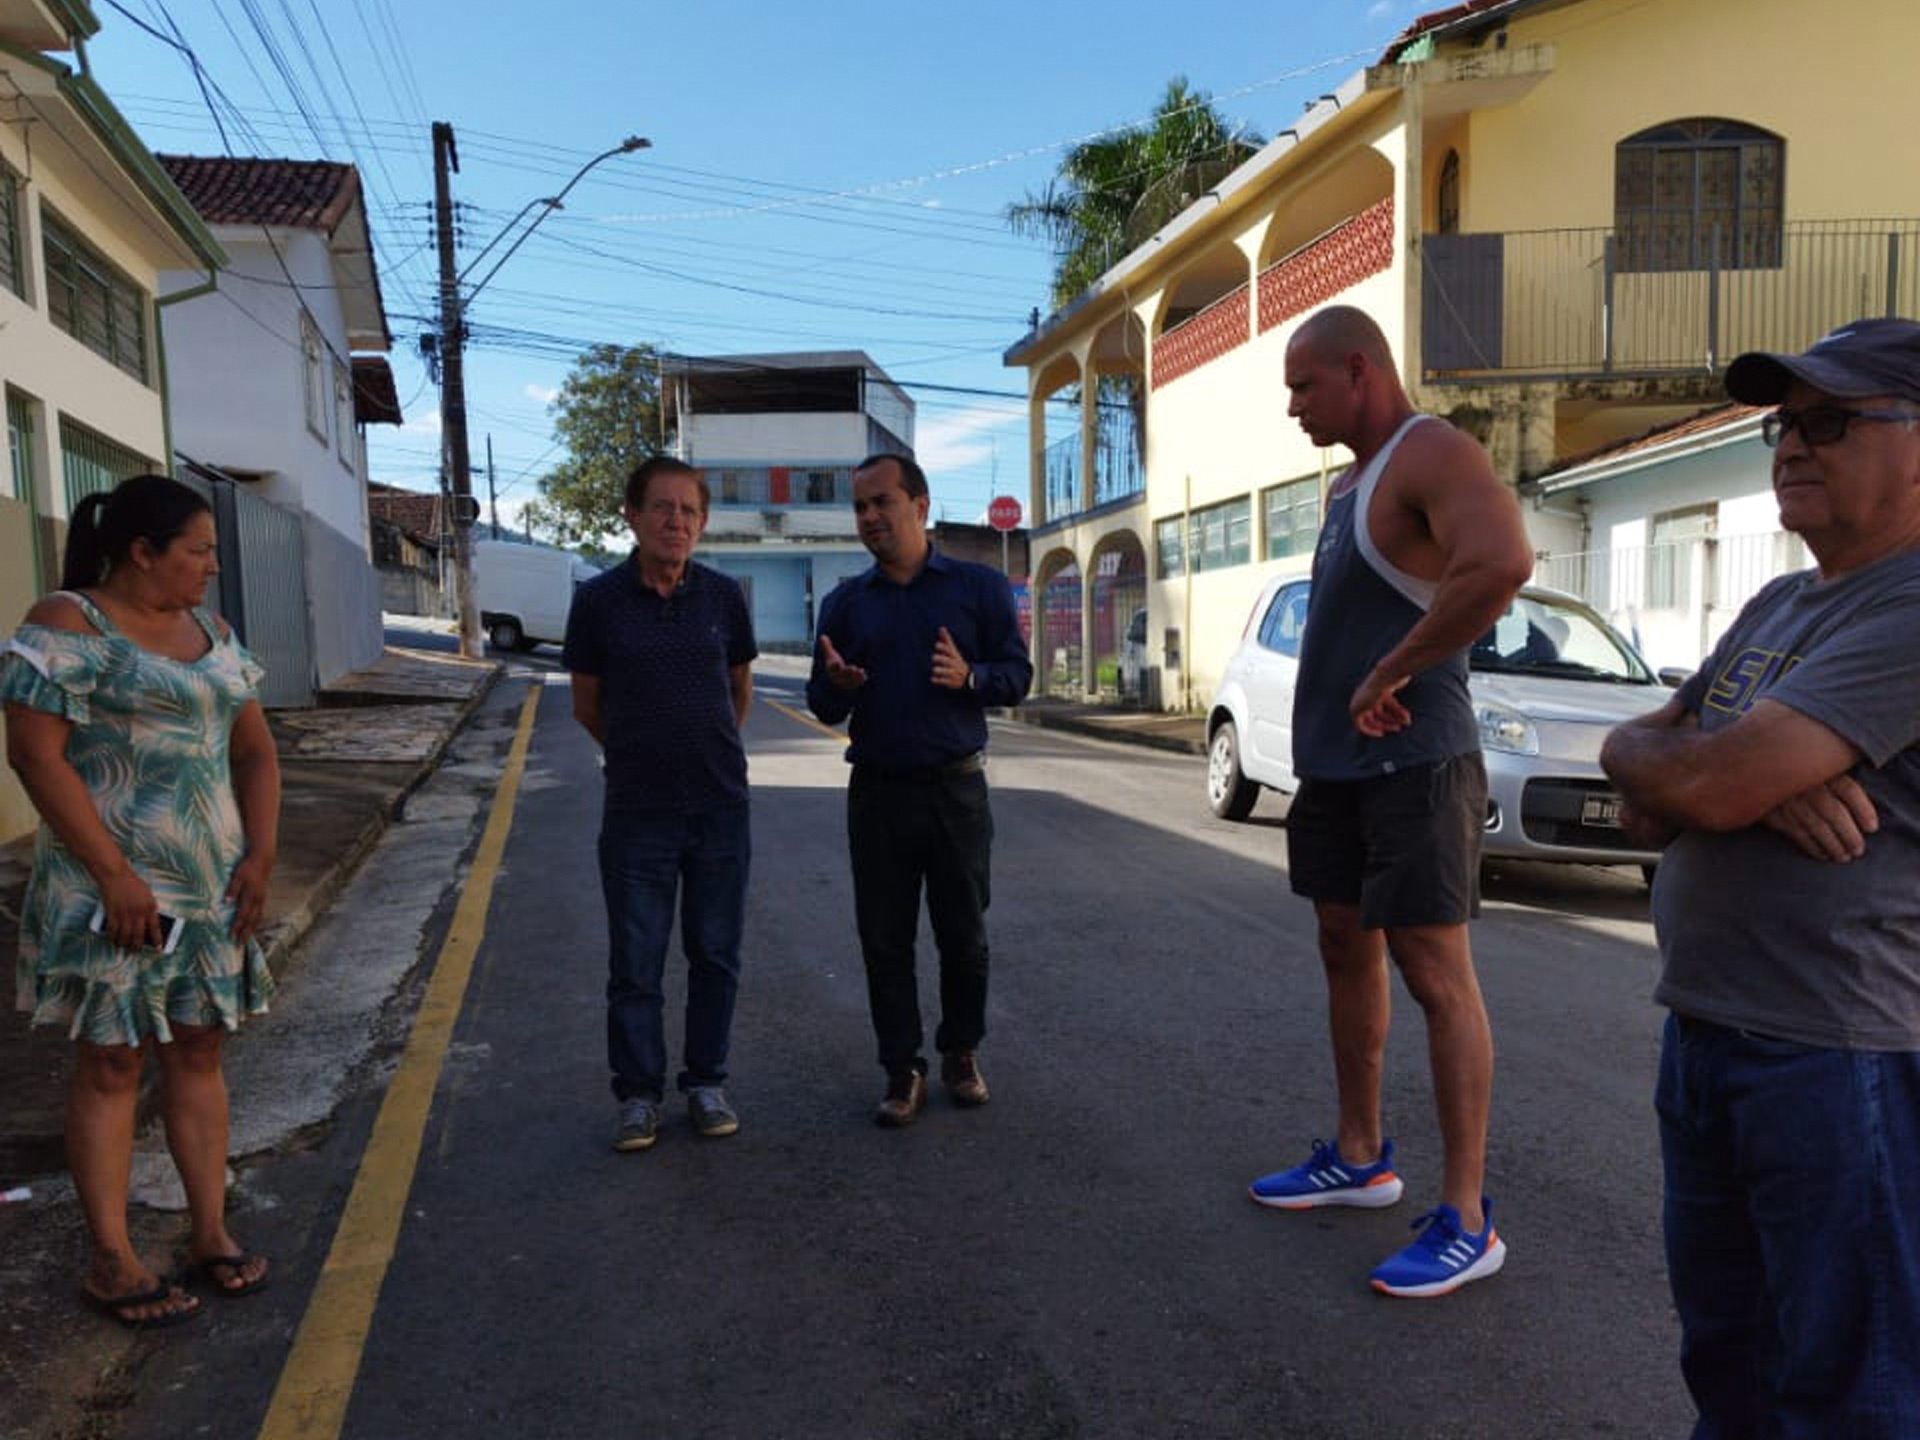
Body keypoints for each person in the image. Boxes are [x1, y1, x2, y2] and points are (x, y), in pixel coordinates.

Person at [1599, 317, 1920, 1436]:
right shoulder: (1778, 606)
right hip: (1709, 1033)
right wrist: (1722, 775)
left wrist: (1721, 774)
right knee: (1728, 1361)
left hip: (1840, 1057)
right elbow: (1638, 785)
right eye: (1784, 425)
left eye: (1830, 422)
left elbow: (1704, 778)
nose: (1790, 446)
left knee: (1853, 1386)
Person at [1246, 305, 1533, 1297]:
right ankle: (1361, 1155)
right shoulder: (1347, 485)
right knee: (1342, 944)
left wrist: (1392, 671)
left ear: (1359, 372)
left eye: (1303, 386)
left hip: (1417, 764)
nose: (1292, 407)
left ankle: (1466, 1217)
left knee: (1433, 970)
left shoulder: (1431, 452)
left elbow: (1501, 564)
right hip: (1337, 771)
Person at [1, 474, 279, 1328]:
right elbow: (34, 756)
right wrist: (115, 874)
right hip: (107, 890)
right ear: (141, 551)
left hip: (208, 889)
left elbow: (255, 753)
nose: (210, 568)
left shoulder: (214, 634)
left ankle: (210, 1231)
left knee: (198, 1053)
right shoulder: (66, 624)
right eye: (197, 551)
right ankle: (112, 1260)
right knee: (113, 1060)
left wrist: (262, 855)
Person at [806, 453, 1032, 1127]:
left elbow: (1017, 677)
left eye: (883, 502)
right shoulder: (846, 603)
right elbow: (822, 702)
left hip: (955, 794)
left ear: (921, 505)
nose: (871, 517)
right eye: (860, 507)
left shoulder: (977, 589)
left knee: (964, 936)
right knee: (884, 940)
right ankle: (901, 1069)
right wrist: (837, 688)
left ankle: (962, 1051)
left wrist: (970, 678)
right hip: (876, 796)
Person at [563, 456, 757, 1153]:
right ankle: (638, 1096)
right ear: (632, 516)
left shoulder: (724, 597)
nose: (677, 521)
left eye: (689, 511)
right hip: (637, 812)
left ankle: (705, 1083)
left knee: (716, 955)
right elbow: (588, 705)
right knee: (636, 961)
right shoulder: (598, 602)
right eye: (663, 508)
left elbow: (738, 689)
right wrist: (644, 753)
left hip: (719, 808)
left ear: (702, 523)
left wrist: (703, 751)